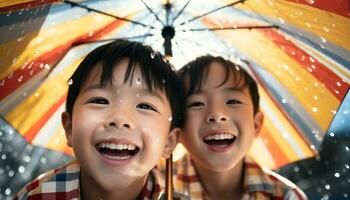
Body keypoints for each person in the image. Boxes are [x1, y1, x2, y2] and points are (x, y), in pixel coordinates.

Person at [14, 39, 185, 200]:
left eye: (145, 106)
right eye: (100, 101)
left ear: (168, 142)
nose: (120, 119)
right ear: (70, 127)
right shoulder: (37, 196)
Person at [172, 55, 308, 200]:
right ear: (176, 130)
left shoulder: (286, 196)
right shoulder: (156, 190)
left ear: (256, 124)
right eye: (197, 104)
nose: (217, 114)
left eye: (232, 101)